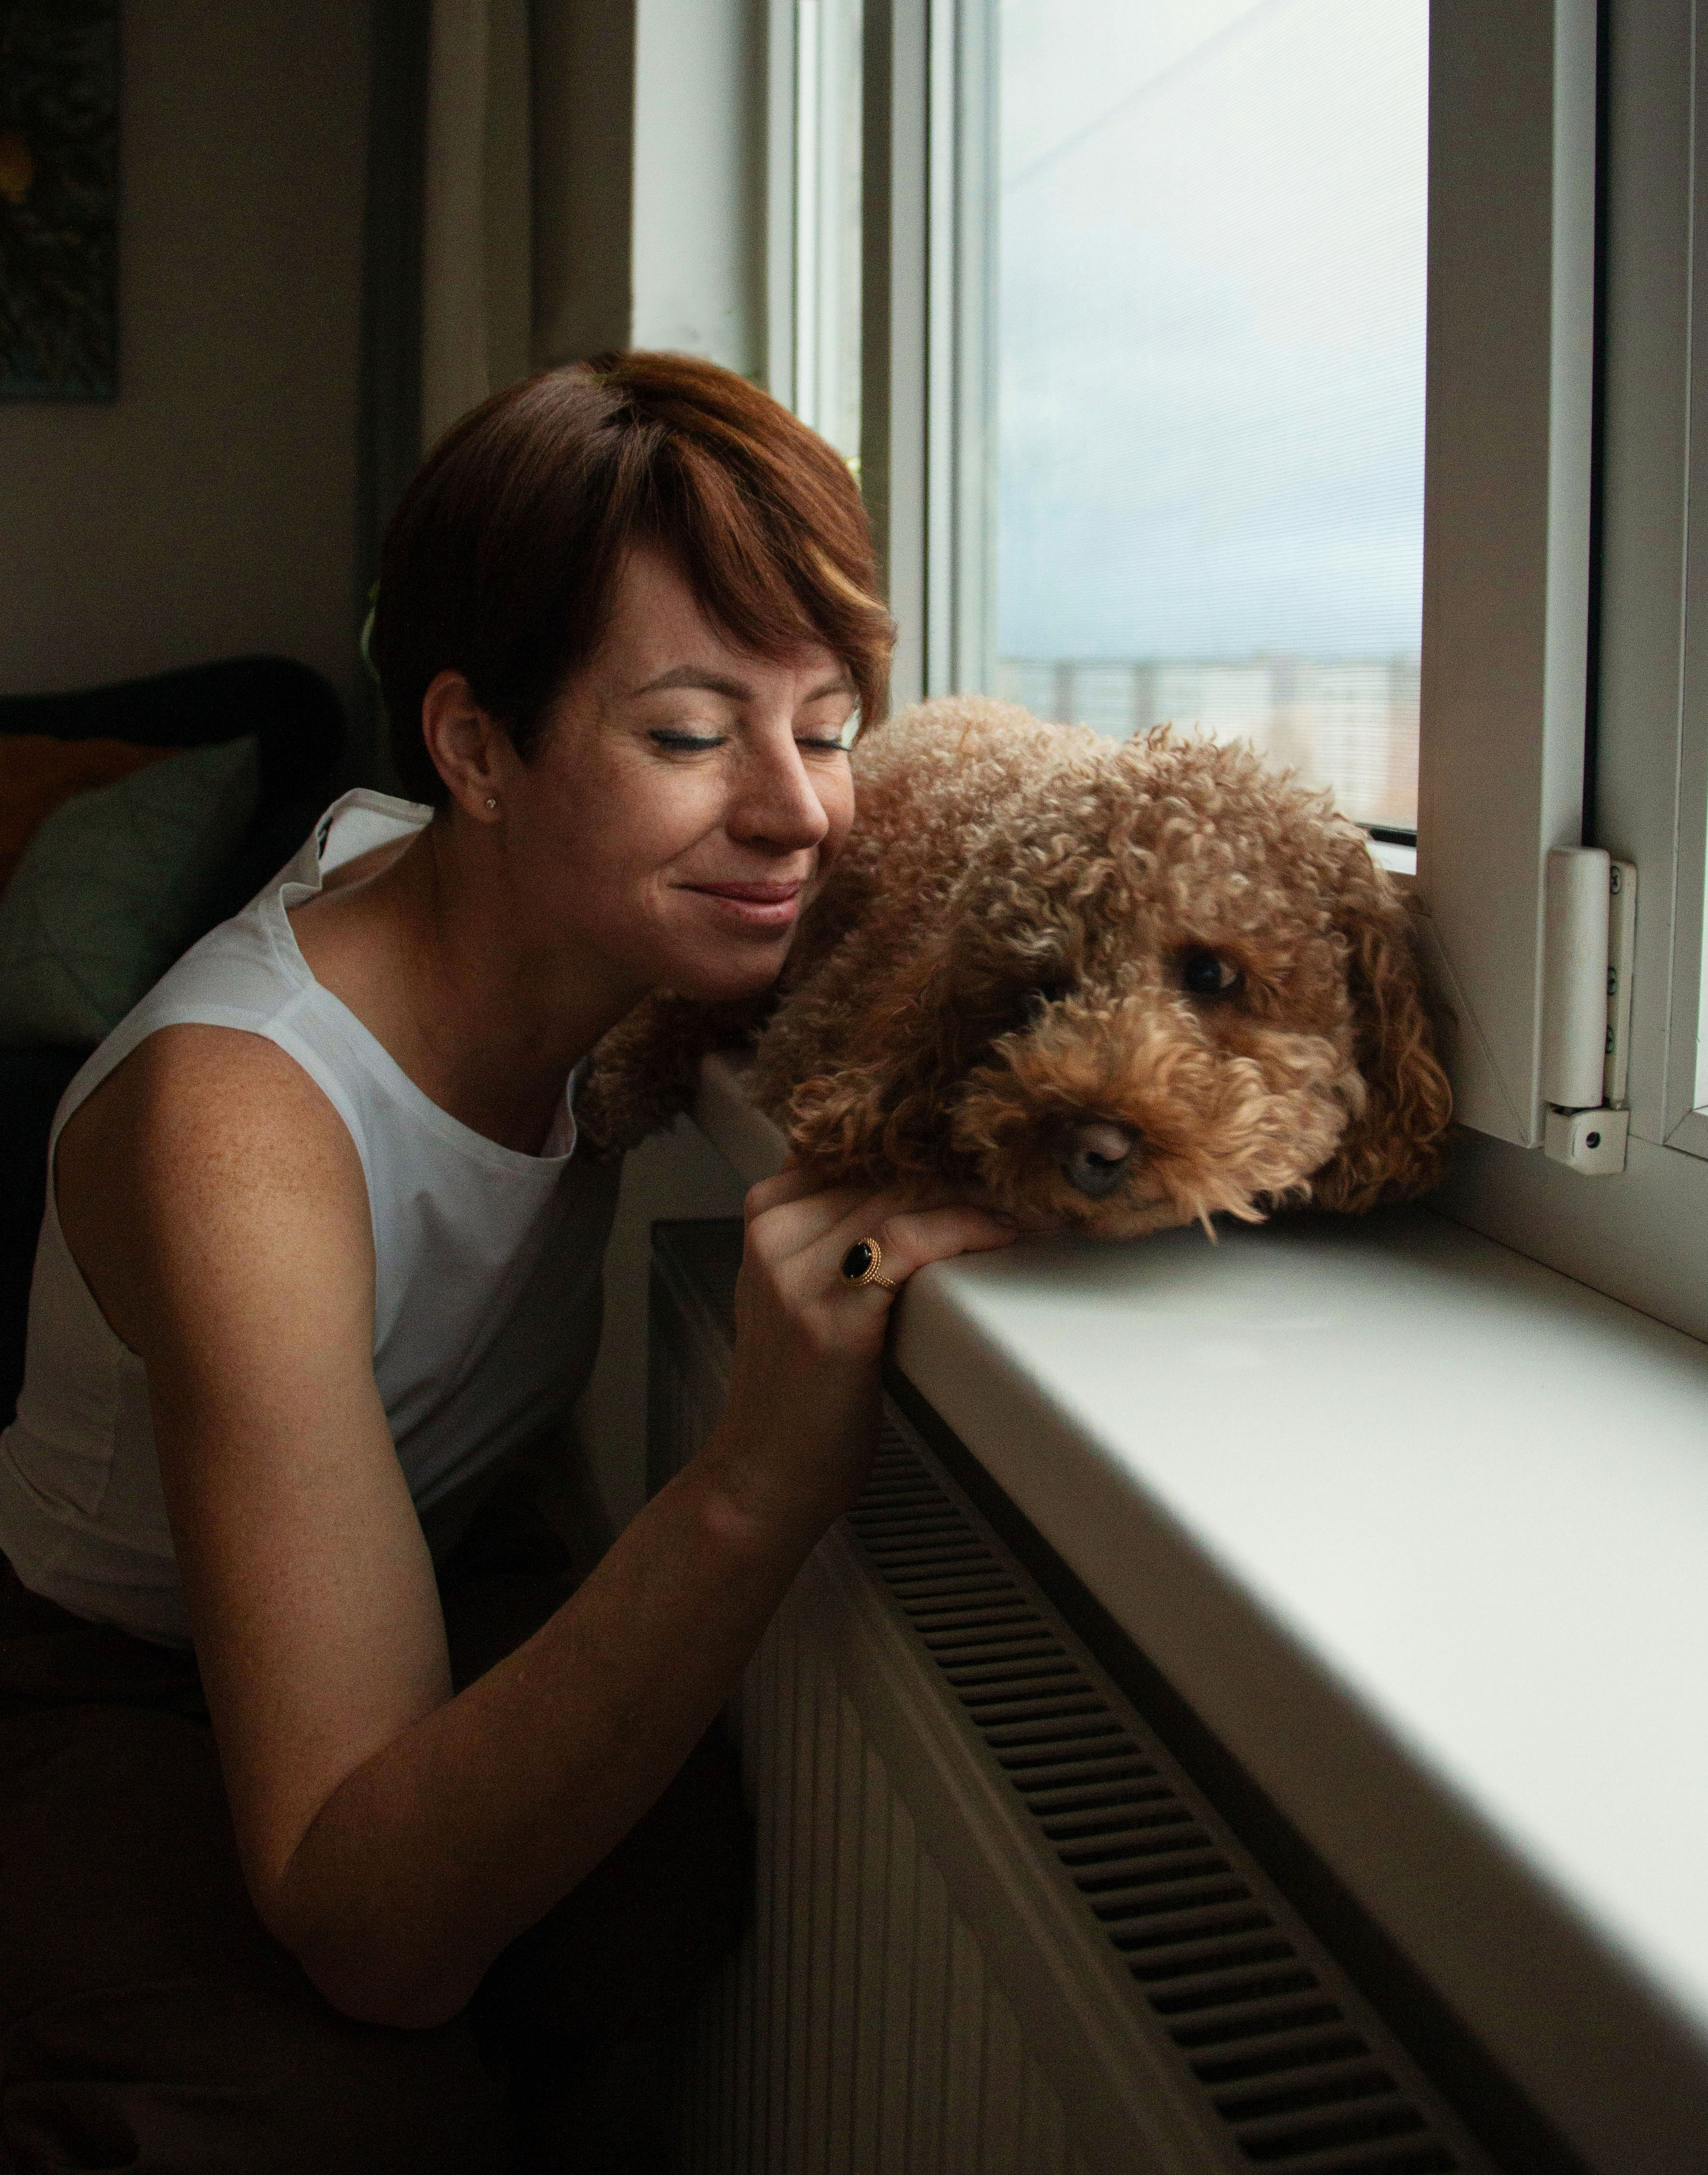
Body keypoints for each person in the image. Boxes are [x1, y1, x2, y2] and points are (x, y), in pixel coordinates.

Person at [0, 354, 1015, 2172]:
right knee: (332, 2102)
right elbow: (366, 1931)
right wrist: (753, 1484)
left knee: (659, 1880)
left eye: (830, 725)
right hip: (102, 1665)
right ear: (474, 749)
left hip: (439, 1548)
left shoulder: (608, 926)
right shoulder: (241, 1126)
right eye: (690, 735)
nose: (798, 812)